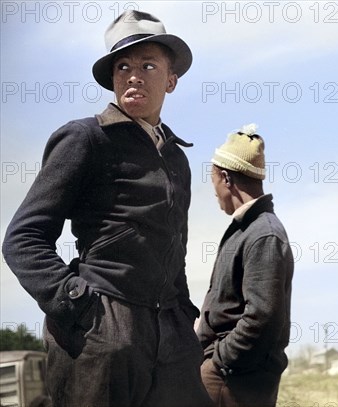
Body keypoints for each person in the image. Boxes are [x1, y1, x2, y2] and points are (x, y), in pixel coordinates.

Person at [2, 10, 212, 407]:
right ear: (114, 79)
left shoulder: (177, 158)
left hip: (172, 338)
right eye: (124, 66)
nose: (134, 75)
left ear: (171, 80)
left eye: (148, 65)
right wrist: (79, 305)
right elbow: (23, 238)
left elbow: (174, 250)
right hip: (103, 333)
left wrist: (184, 317)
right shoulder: (86, 138)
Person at [197, 124, 294, 407]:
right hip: (230, 374)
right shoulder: (247, 229)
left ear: (226, 178)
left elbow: (262, 316)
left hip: (235, 380)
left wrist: (220, 361)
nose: (213, 192)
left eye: (212, 180)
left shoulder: (263, 233)